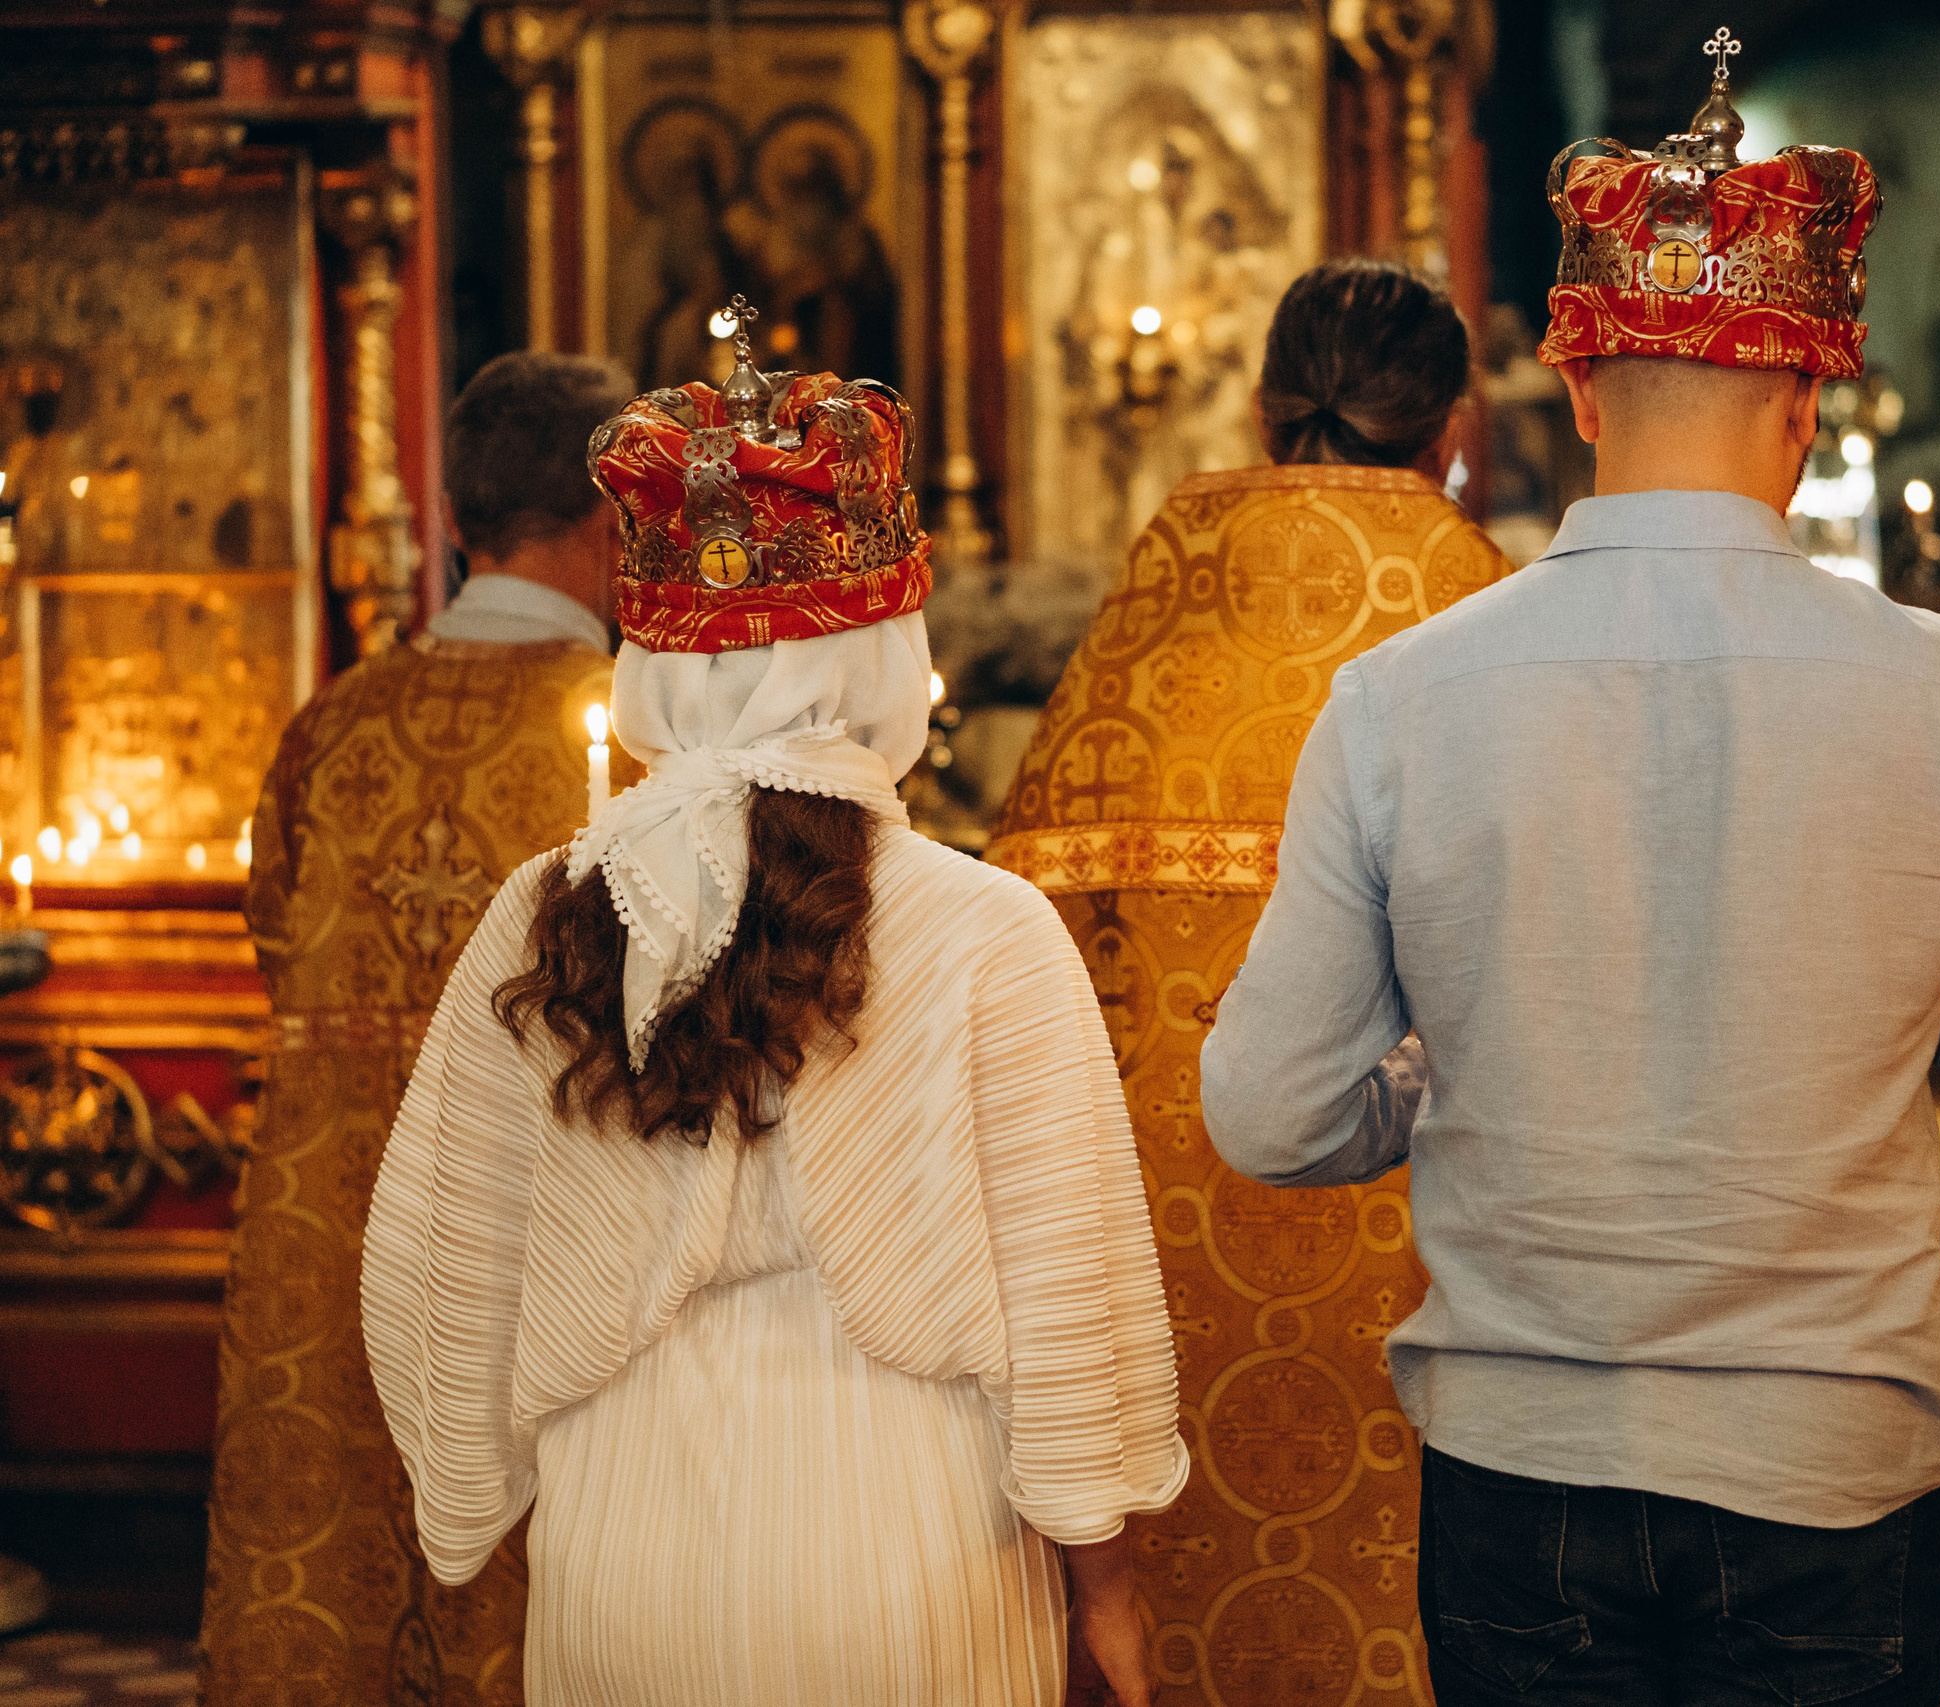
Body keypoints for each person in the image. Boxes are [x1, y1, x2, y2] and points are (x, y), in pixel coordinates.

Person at [1198, 70, 1940, 1707]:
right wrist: (1883, 1030)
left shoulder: (1404, 697)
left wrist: (1451, 1072)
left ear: (1582, 392)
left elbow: (1272, 1114)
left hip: (1524, 1462)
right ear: (1808, 406)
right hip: (1835, 1454)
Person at [360, 334, 1186, 1707]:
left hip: (623, 1539)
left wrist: (485, 1489)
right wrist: (1107, 1590)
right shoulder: (988, 928)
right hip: (909, 1535)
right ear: (886, 650)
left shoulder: (541, 914)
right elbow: (1065, 1299)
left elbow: (443, 1251)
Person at [984, 258, 1508, 1683]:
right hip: (1415, 1234)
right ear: (1449, 426)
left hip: (1156, 1228)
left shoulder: (1149, 625)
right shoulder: (1491, 625)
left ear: (1270, 410)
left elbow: (1009, 930)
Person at [200, 351, 633, 1707]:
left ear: (458, 522)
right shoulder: (630, 749)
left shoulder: (331, 728)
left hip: (328, 1224)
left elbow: (271, 934)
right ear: (615, 519)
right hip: (539, 1226)